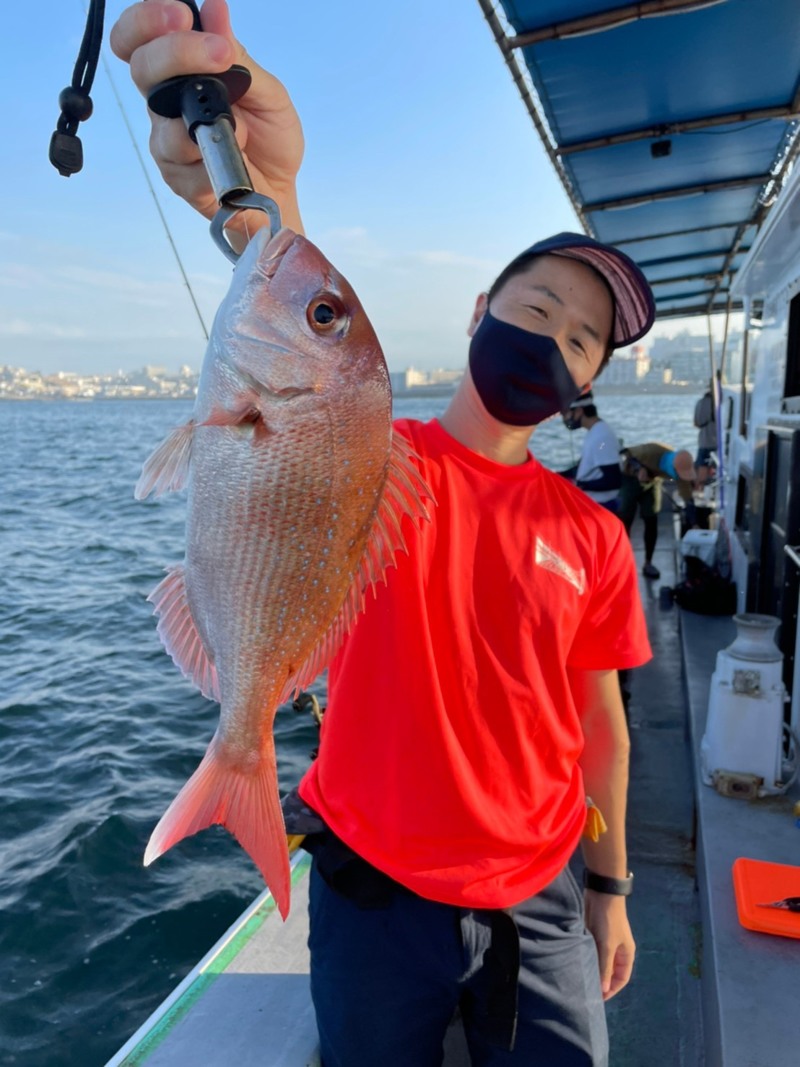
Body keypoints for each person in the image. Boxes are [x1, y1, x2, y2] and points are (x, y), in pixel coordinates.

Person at [111, 4, 655, 1063]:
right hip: (373, 888)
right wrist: (263, 193)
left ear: (588, 383)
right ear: (476, 311)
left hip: (542, 894)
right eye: (535, 305)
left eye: (581, 337)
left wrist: (611, 888)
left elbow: (603, 725)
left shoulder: (591, 532)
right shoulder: (376, 457)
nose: (551, 337)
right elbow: (305, 332)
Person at [618, 443, 696, 579]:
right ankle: (621, 563)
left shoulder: (680, 471)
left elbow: (688, 498)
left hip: (652, 482)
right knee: (625, 521)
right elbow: (626, 453)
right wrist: (639, 468)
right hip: (630, 480)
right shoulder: (651, 450)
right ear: (674, 467)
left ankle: (648, 563)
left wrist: (695, 523)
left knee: (651, 519)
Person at [559, 391, 623, 511]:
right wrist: (557, 476)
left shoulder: (601, 437)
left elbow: (613, 480)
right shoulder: (595, 432)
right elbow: (589, 469)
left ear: (579, 411)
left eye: (566, 414)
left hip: (600, 507)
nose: (564, 419)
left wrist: (579, 485)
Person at [694, 382, 717, 483]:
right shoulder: (723, 402)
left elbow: (696, 423)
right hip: (719, 442)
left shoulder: (701, 403)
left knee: (702, 465)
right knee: (718, 467)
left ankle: (700, 489)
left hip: (705, 441)